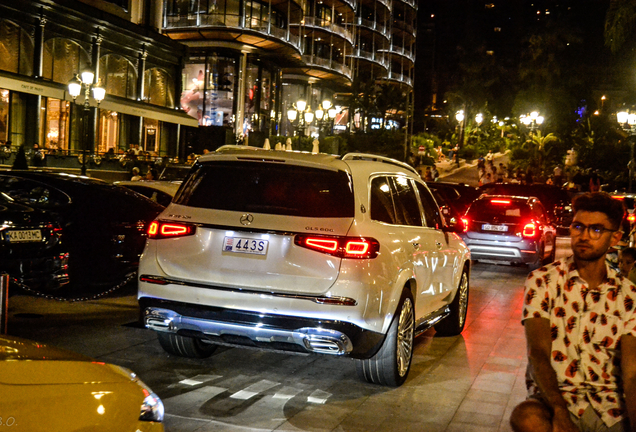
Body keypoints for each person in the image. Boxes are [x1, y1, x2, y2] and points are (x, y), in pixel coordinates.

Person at [510, 192, 636, 432]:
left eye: (596, 230)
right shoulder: (543, 281)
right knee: (526, 417)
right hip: (555, 397)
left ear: (615, 238)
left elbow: (631, 374)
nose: (584, 236)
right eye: (578, 226)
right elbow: (537, 352)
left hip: (610, 406)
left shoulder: (628, 296)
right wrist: (559, 410)